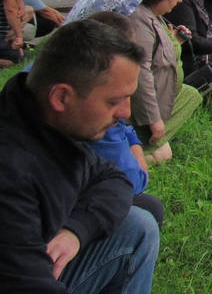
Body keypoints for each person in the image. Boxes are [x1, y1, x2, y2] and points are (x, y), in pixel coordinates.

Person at [0, 19, 160, 293]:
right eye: (113, 101)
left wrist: (76, 231)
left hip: (35, 263)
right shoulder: (11, 171)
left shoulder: (44, 123)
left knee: (138, 224)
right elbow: (27, 284)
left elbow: (115, 180)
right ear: (61, 97)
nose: (125, 112)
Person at [85, 11, 166, 227]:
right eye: (115, 101)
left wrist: (132, 142)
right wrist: (138, 159)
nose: (125, 112)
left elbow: (125, 127)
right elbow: (134, 181)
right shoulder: (93, 117)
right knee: (147, 211)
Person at [129, 0, 203, 161]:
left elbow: (155, 51)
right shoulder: (140, 21)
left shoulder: (153, 15)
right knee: (162, 155)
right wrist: (153, 120)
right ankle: (127, 159)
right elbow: (142, 72)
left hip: (163, 94)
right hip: (146, 106)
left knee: (191, 95)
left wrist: (174, 41)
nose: (179, 0)